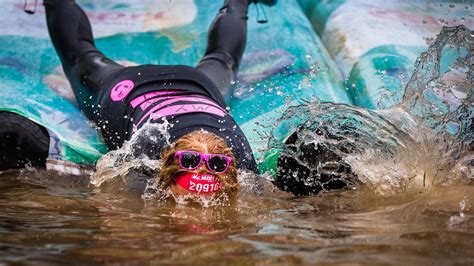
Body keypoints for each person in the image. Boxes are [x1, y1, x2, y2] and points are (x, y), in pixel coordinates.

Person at [44, 0, 275, 199]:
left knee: (223, 58)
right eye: (189, 200)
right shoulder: (147, 150)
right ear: (165, 177)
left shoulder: (238, 159)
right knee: (79, 56)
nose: (195, 211)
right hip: (132, 88)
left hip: (195, 84)